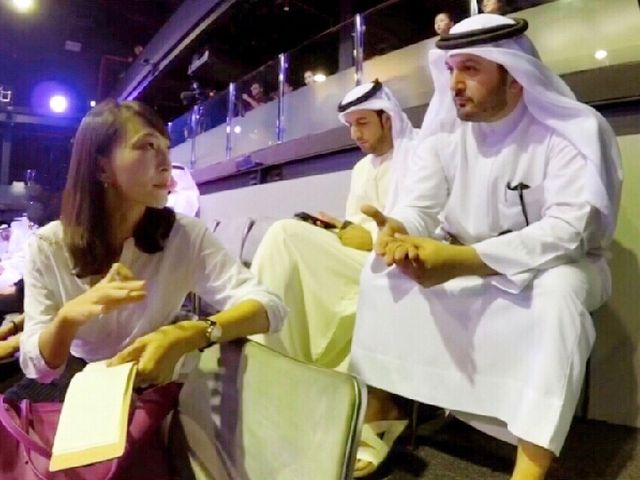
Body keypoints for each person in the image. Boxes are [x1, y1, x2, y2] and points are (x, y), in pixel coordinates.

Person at [350, 14, 622, 479]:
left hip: (562, 264)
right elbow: (420, 208)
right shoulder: (444, 138)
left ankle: (531, 463)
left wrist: (464, 262)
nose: (454, 83)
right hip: (463, 258)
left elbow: (569, 231)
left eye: (470, 69)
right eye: (451, 68)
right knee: (380, 275)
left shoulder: (569, 129)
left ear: (514, 75)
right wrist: (398, 228)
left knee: (558, 294)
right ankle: (383, 410)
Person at [17, 100, 286, 395]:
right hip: (82, 381)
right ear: (101, 167)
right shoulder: (47, 246)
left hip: (156, 381)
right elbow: (40, 368)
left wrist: (195, 333)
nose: (166, 163)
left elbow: (269, 306)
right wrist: (68, 318)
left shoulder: (183, 235)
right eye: (147, 146)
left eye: (166, 148)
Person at [250, 80, 417, 371]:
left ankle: (263, 352)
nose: (355, 134)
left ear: (387, 119)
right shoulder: (362, 168)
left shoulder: (420, 154)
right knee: (287, 238)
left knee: (285, 235)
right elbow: (356, 223)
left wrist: (373, 236)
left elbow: (429, 221)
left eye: (362, 123)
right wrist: (338, 227)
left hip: (398, 260)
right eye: (350, 125)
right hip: (361, 255)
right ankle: (271, 349)